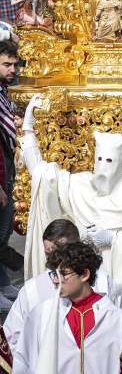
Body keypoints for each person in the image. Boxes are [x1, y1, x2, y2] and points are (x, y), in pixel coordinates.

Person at [20, 97, 122, 339]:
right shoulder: (80, 187)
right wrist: (28, 129)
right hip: (82, 294)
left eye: (110, 161)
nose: (103, 166)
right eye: (99, 159)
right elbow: (42, 176)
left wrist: (115, 238)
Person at [12, 240, 122, 374]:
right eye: (54, 274)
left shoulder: (115, 319)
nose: (55, 280)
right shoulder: (42, 314)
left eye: (63, 274)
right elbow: (23, 362)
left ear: (85, 275)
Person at [4, 217, 122, 352]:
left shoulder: (103, 284)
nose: (53, 261)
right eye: (48, 255)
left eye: (59, 253)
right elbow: (11, 339)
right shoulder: (31, 290)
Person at [0, 41, 21, 309]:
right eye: (6, 64)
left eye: (15, 64)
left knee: (3, 234)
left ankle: (4, 282)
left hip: (8, 170)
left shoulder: (5, 92)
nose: (12, 69)